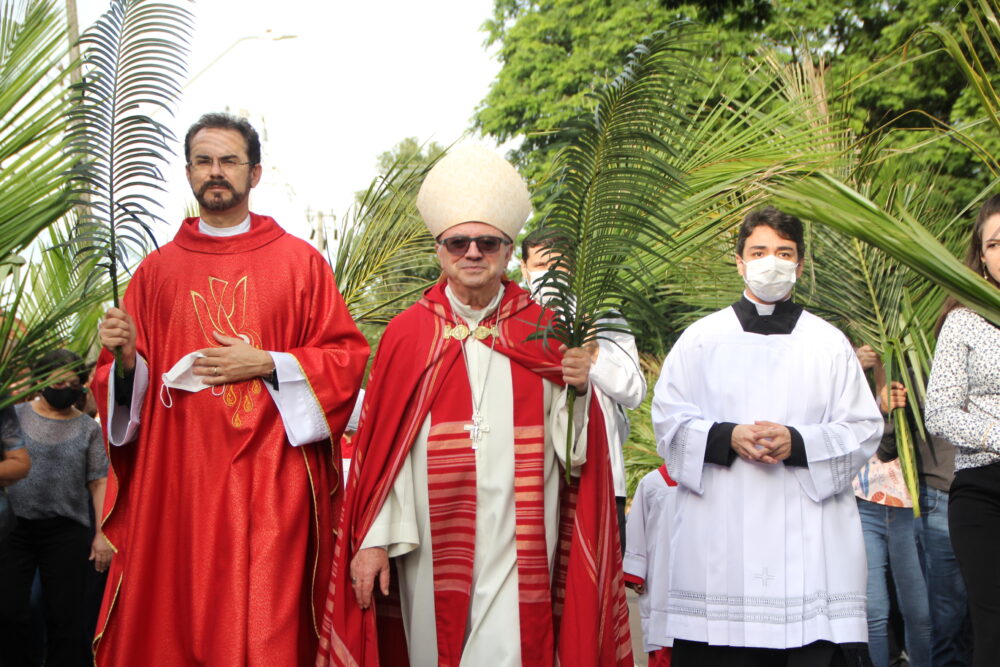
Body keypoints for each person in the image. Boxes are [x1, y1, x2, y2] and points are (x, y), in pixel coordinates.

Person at [316, 145, 632, 667]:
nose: (472, 253)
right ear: (439, 250)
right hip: (427, 546)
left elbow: (576, 456)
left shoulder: (544, 330)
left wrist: (578, 391)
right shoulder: (407, 335)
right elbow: (383, 457)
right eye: (458, 242)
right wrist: (372, 541)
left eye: (487, 243)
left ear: (508, 252)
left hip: (519, 540)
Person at [92, 113, 369, 666]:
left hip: (274, 482)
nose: (215, 172)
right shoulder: (155, 272)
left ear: (255, 173)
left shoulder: (301, 265)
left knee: (268, 623)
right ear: (189, 173)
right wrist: (125, 363)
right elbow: (123, 400)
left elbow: (346, 360)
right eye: (203, 161)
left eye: (228, 161)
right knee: (180, 618)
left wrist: (268, 362)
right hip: (181, 481)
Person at [651, 206, 883, 666]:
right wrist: (727, 436)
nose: (771, 262)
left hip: (808, 542)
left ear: (800, 264)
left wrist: (799, 443)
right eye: (758, 252)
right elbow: (668, 423)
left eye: (784, 252)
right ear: (739, 262)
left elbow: (863, 428)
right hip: (719, 538)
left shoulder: (828, 343)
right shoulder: (701, 339)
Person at [521, 229, 646, 551]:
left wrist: (594, 353)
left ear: (574, 269)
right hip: (531, 478)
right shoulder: (514, 322)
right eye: (541, 266)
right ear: (524, 269)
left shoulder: (605, 318)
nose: (550, 276)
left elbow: (634, 392)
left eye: (558, 266)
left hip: (600, 475)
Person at [925, 194, 1000, 667]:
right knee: (992, 625)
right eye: (995, 243)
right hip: (984, 489)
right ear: (982, 257)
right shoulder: (963, 321)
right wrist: (997, 435)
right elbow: (939, 412)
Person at [0, 349, 110, 667]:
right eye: (58, 383)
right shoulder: (15, 415)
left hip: (66, 531)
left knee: (66, 616)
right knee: (9, 610)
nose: (65, 390)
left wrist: (101, 534)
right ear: (41, 381)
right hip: (15, 528)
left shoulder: (89, 429)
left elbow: (98, 482)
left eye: (72, 384)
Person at [850, 349, 932, 667]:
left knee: (919, 611)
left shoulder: (914, 370)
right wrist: (856, 368)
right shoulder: (850, 373)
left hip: (910, 504)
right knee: (873, 611)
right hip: (863, 502)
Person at [624, 464, 678, 667]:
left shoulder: (712, 481)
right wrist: (637, 571)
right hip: (660, 574)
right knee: (663, 644)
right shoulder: (653, 483)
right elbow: (637, 526)